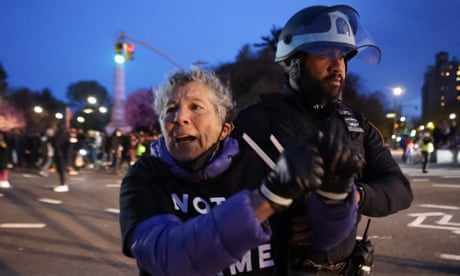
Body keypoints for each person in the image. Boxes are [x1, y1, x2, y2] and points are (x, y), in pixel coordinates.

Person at [232, 5, 414, 275]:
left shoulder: (355, 124)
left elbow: (399, 189)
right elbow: (221, 207)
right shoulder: (254, 122)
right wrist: (276, 230)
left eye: (343, 56)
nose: (338, 65)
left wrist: (351, 197)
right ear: (294, 62)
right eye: (326, 54)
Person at [119, 69, 335, 275]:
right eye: (171, 109)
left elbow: (324, 238)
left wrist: (339, 192)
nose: (180, 117)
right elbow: (168, 259)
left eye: (196, 107)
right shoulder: (143, 177)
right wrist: (267, 199)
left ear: (225, 129)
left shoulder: (260, 165)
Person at [50, 124, 70, 192]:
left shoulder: (59, 134)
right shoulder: (66, 134)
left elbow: (55, 144)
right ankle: (63, 184)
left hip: (59, 154)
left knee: (61, 169)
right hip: (63, 154)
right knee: (61, 170)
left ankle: (63, 184)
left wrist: (51, 138)